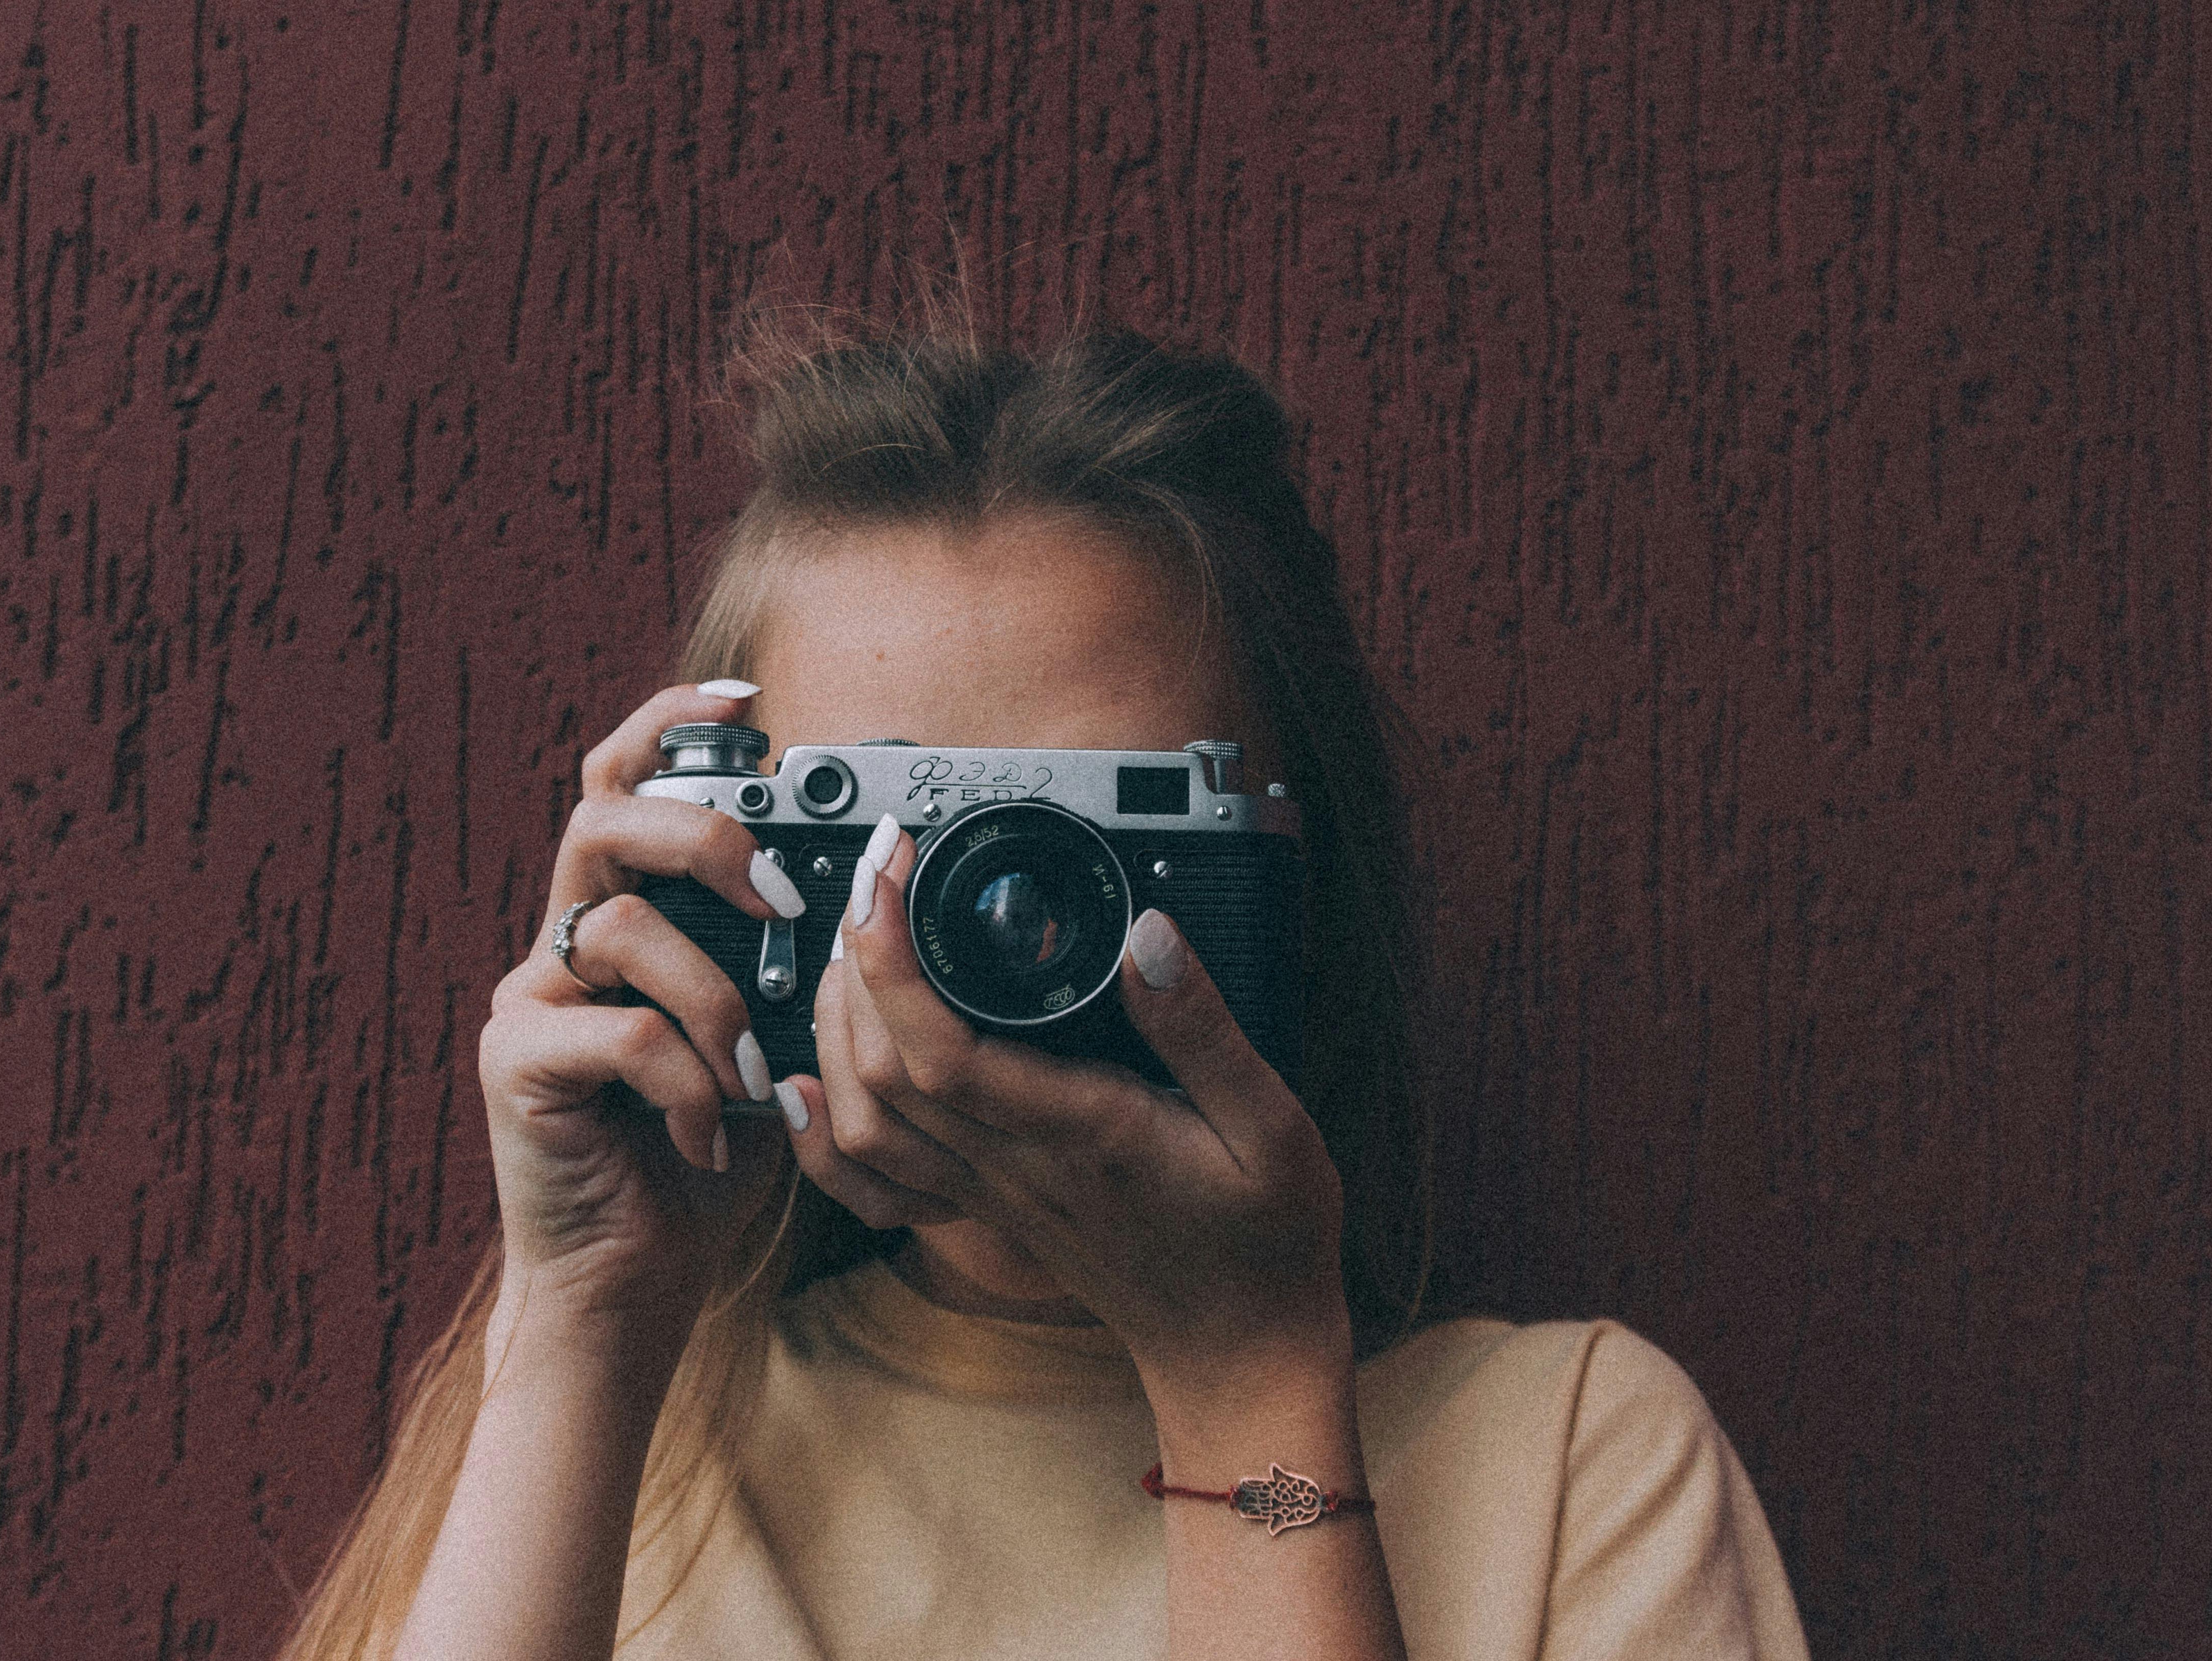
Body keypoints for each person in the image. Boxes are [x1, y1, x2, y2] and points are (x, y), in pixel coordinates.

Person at [273, 307, 1810, 1661]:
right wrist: (580, 1320)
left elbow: (1278, 1440)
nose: (987, 922)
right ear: (711, 862)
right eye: (875, 832)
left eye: (1097, 832)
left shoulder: (1564, 1460)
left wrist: (1246, 1388)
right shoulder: (608, 1456)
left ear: (1294, 871)